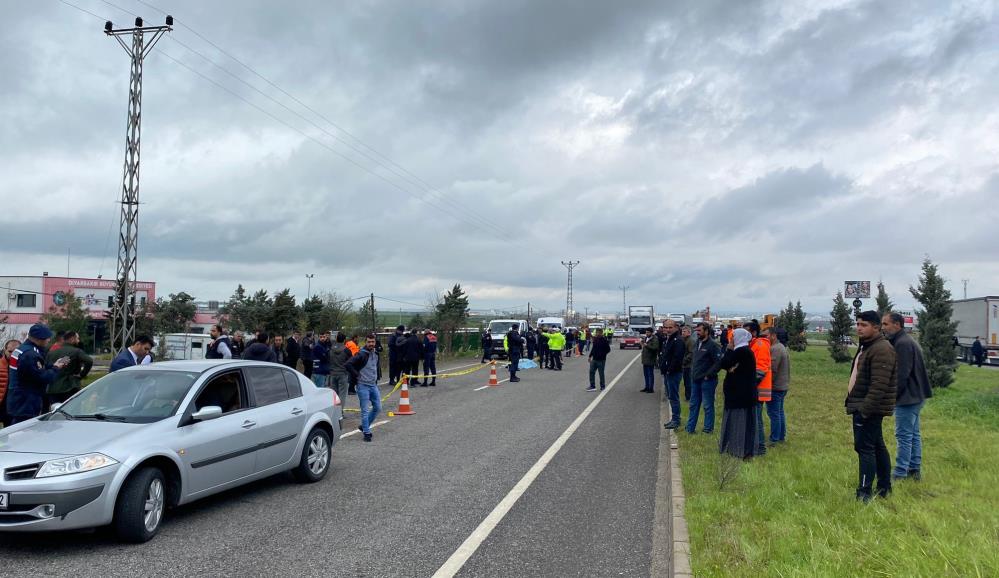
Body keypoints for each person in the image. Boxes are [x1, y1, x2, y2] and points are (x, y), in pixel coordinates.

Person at [846, 311, 897, 502]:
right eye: (857, 324)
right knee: (876, 446)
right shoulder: (867, 346)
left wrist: (864, 411)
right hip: (864, 406)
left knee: (865, 448)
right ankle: (884, 487)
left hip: (868, 409)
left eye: (864, 325)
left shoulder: (881, 349)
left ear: (876, 327)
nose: (859, 327)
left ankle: (864, 492)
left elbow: (879, 385)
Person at [883, 312, 932, 481]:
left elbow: (901, 374)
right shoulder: (906, 340)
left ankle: (900, 472)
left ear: (897, 324)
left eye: (886, 324)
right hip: (917, 395)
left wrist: (892, 396)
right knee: (913, 434)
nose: (883, 328)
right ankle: (914, 469)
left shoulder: (902, 343)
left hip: (908, 397)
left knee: (903, 436)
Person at [6, 324, 70, 424]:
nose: (49, 340)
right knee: (23, 432)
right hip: (26, 402)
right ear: (40, 339)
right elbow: (42, 377)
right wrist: (57, 368)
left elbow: (33, 371)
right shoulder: (30, 355)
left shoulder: (23, 349)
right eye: (47, 338)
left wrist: (52, 366)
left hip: (18, 399)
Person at [713, 328, 759, 459]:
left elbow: (725, 363)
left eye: (733, 337)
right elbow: (729, 366)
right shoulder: (744, 351)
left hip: (740, 395)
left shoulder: (741, 351)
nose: (731, 339)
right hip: (742, 394)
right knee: (740, 422)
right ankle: (738, 449)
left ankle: (737, 449)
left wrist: (728, 349)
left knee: (739, 423)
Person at [687, 322, 722, 434]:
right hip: (695, 379)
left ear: (706, 331)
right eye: (696, 331)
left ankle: (708, 429)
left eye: (699, 331)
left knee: (707, 405)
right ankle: (690, 428)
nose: (697, 333)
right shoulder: (697, 343)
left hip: (707, 381)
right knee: (693, 405)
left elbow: (718, 363)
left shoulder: (713, 345)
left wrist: (708, 375)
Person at [346, 335, 382, 442]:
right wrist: (356, 374)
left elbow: (375, 367)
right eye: (369, 342)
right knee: (365, 410)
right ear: (365, 342)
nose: (371, 343)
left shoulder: (375, 353)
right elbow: (348, 364)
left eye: (373, 342)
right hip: (363, 386)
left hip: (373, 385)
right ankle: (366, 432)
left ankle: (363, 426)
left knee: (378, 407)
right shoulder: (361, 354)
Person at [744, 320, 772, 455]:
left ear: (753, 332)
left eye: (746, 332)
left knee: (756, 419)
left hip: (758, 389)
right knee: (754, 418)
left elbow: (761, 369)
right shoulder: (753, 344)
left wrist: (749, 383)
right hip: (755, 388)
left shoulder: (760, 345)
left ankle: (760, 447)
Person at [45, 331, 93, 405]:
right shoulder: (76, 351)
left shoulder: (51, 353)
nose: (78, 341)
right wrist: (82, 375)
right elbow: (89, 361)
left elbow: (46, 368)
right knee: (72, 412)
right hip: (70, 387)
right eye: (77, 338)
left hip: (52, 389)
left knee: (55, 413)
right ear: (72, 339)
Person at [765, 327, 790, 445]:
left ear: (773, 336)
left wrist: (767, 384)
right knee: (779, 412)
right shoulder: (781, 347)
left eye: (766, 336)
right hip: (782, 385)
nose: (765, 338)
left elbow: (773, 370)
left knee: (774, 413)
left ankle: (775, 438)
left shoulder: (775, 349)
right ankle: (780, 436)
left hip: (776, 387)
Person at [660, 320, 685, 429]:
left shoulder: (678, 340)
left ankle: (676, 420)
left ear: (676, 328)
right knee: (671, 396)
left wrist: (669, 370)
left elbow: (677, 358)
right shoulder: (668, 339)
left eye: (670, 327)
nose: (668, 330)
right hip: (668, 372)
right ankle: (674, 419)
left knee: (674, 397)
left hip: (674, 372)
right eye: (666, 327)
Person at [0, 339, 21, 426]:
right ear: (5, 350)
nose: (12, 354)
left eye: (16, 352)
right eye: (10, 351)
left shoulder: (24, 365)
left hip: (13, 406)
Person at [328, 332, 352, 403]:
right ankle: (340, 412)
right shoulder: (347, 350)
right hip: (343, 374)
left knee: (334, 395)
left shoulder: (331, 349)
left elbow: (328, 360)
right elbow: (351, 361)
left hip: (332, 374)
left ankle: (335, 412)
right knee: (342, 394)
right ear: (344, 340)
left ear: (336, 339)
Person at [640, 328, 659, 393]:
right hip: (645, 359)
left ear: (651, 333)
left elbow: (655, 348)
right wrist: (642, 343)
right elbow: (644, 345)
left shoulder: (655, 339)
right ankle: (647, 387)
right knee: (646, 374)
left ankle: (651, 388)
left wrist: (647, 345)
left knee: (650, 374)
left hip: (650, 359)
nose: (647, 333)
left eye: (648, 332)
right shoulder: (646, 338)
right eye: (646, 332)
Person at [681, 325, 695, 402]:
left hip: (689, 365)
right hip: (685, 365)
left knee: (688, 382)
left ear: (689, 333)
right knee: (686, 382)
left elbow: (691, 353)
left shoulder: (690, 341)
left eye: (684, 331)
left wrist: (684, 361)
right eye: (682, 331)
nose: (682, 333)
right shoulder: (684, 340)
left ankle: (689, 397)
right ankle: (688, 396)